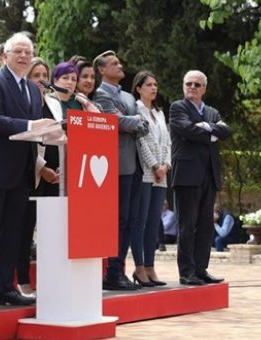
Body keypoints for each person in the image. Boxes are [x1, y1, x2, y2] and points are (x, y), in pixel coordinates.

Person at [0, 33, 54, 309]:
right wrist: (30, 126)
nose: (24, 57)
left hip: (21, 171)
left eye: (28, 52)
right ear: (5, 55)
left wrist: (48, 131)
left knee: (13, 234)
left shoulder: (31, 89)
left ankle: (5, 288)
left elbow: (36, 126)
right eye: (18, 51)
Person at [93, 50, 149, 291]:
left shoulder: (126, 95)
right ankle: (112, 271)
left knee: (130, 219)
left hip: (135, 163)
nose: (120, 66)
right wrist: (134, 120)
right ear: (102, 70)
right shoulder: (100, 94)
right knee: (120, 219)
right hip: (117, 164)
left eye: (119, 62)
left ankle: (118, 269)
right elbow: (113, 122)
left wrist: (132, 121)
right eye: (114, 64)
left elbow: (140, 124)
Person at [170, 70, 232, 285]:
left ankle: (201, 269)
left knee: (205, 225)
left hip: (209, 173)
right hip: (187, 174)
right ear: (183, 86)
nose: (192, 87)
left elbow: (227, 131)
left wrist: (205, 127)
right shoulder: (178, 108)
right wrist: (213, 133)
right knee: (187, 225)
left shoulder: (212, 111)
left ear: (204, 88)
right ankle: (187, 272)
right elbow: (187, 130)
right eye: (189, 83)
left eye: (197, 84)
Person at [16, 57, 60, 298]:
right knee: (25, 229)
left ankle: (51, 280)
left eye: (44, 75)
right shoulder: (24, 102)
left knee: (50, 231)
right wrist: (42, 167)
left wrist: (59, 168)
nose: (41, 80)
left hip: (55, 177)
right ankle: (22, 279)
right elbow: (26, 139)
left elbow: (59, 134)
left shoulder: (53, 103)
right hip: (33, 173)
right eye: (36, 75)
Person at [132, 71, 171, 287]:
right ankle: (139, 267)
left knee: (154, 221)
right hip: (146, 173)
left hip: (162, 174)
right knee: (141, 221)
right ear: (138, 88)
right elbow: (140, 142)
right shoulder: (136, 110)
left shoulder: (159, 113)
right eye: (148, 85)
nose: (153, 88)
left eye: (155, 84)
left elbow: (167, 142)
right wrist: (155, 165)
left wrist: (165, 165)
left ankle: (150, 266)